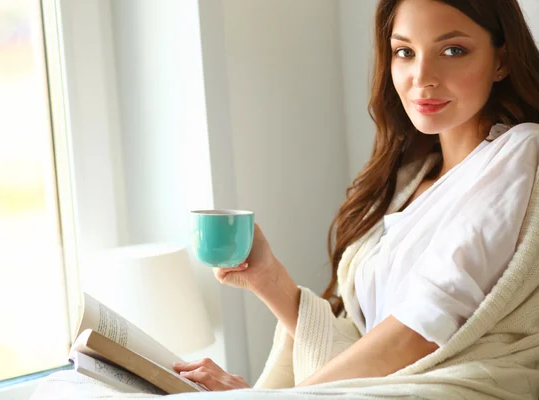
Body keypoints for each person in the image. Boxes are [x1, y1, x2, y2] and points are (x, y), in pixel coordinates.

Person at [172, 0, 539, 392]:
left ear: (501, 60)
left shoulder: (520, 149)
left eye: (452, 50)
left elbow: (418, 333)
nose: (422, 77)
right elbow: (367, 346)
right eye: (405, 52)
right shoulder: (409, 180)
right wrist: (268, 277)